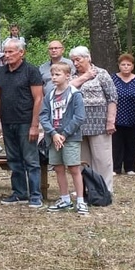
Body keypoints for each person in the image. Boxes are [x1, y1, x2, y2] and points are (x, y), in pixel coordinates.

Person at [0, 37, 44, 207]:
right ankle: (19, 193)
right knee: (14, 159)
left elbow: (38, 98)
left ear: (21, 52)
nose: (7, 55)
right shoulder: (0, 72)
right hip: (7, 122)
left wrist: (35, 125)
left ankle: (35, 195)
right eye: (5, 52)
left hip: (26, 122)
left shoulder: (31, 71)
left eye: (10, 52)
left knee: (31, 160)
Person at [39, 59, 88, 215]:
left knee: (73, 167)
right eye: (52, 74)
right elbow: (44, 116)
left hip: (70, 137)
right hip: (54, 138)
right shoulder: (50, 95)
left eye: (57, 74)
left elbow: (79, 117)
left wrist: (64, 134)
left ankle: (80, 201)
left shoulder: (75, 94)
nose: (54, 77)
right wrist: (53, 133)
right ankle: (65, 199)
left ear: (68, 76)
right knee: (58, 168)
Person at [69, 46, 117, 194]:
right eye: (73, 60)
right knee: (83, 160)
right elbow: (66, 89)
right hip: (78, 124)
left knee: (102, 159)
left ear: (88, 57)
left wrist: (110, 120)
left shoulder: (102, 73)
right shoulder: (71, 75)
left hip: (99, 122)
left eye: (78, 59)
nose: (76, 63)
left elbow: (112, 97)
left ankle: (105, 189)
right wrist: (85, 77)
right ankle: (85, 189)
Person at [112, 53, 135, 176]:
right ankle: (115, 168)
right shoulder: (112, 79)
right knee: (116, 144)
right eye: (123, 64)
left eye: (128, 64)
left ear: (133, 66)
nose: (126, 67)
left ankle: (130, 167)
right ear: (119, 66)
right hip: (116, 117)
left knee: (131, 143)